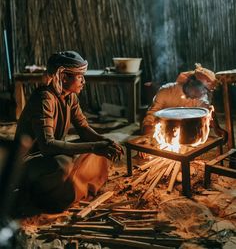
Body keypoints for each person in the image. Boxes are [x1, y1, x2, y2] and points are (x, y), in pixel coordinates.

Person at [14, 50, 123, 214]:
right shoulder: (45, 99)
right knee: (63, 165)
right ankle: (41, 195)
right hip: (29, 162)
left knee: (99, 153)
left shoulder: (70, 97)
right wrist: (94, 146)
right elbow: (47, 145)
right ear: (64, 77)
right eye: (80, 77)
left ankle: (72, 188)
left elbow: (84, 129)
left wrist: (106, 142)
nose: (83, 81)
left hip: (52, 154)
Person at [142, 63, 226, 139]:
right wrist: (147, 136)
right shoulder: (166, 91)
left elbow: (209, 112)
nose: (204, 94)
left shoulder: (200, 99)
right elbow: (151, 115)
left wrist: (217, 128)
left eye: (207, 91)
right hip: (164, 132)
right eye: (203, 89)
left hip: (186, 134)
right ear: (191, 82)